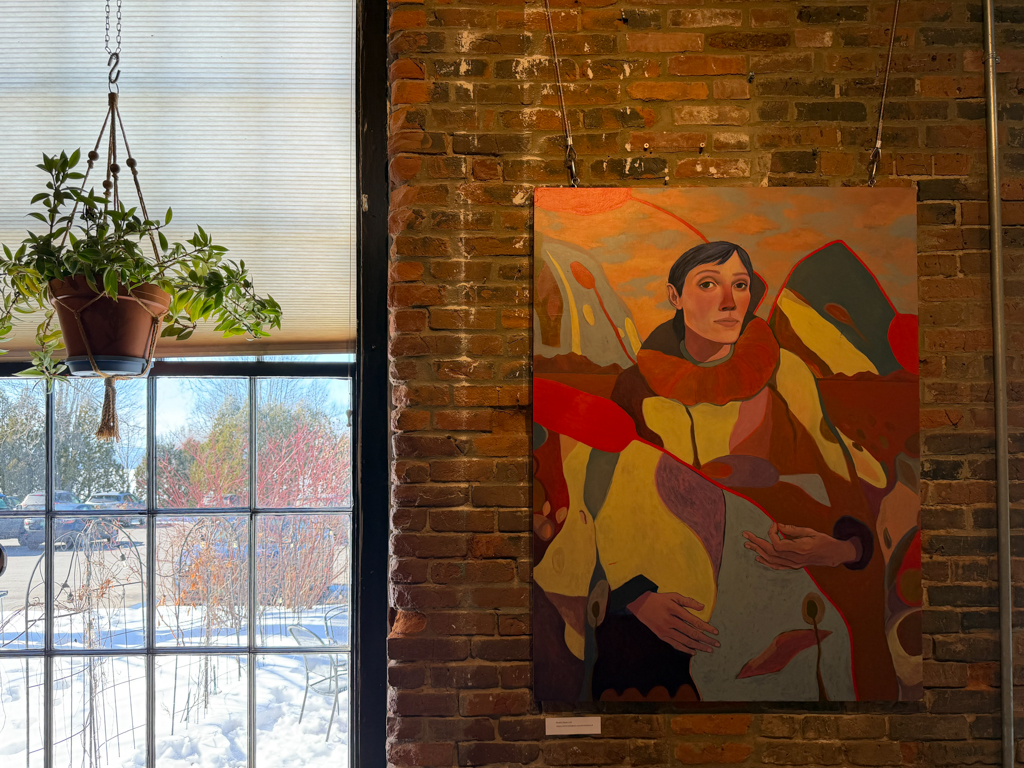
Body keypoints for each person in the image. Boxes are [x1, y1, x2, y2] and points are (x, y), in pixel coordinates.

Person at [606, 240, 896, 699]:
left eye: (740, 286)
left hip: (791, 592)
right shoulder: (635, 388)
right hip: (679, 610)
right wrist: (637, 598)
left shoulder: (786, 373)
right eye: (708, 285)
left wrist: (840, 550)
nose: (729, 301)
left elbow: (841, 481)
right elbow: (607, 503)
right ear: (675, 296)